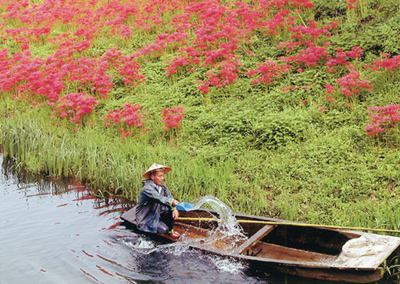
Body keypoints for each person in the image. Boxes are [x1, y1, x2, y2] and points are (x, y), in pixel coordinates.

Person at [134, 163, 181, 238]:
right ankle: (165, 230)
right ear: (152, 176)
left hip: (156, 211)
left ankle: (170, 230)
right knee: (164, 229)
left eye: (163, 175)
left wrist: (174, 208)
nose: (163, 178)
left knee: (170, 209)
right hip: (146, 217)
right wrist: (173, 202)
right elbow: (159, 198)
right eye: (160, 176)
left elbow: (169, 197)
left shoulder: (162, 186)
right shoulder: (147, 188)